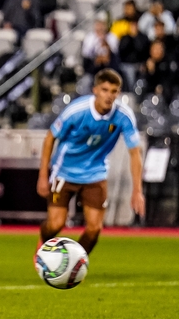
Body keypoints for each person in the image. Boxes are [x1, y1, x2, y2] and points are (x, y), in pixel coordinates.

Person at [36, 69, 144, 259]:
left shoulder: (124, 116)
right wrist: (43, 175)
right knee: (56, 224)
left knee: (94, 229)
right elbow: (50, 137)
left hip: (95, 173)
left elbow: (135, 153)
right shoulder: (76, 111)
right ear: (95, 90)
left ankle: (74, 263)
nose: (109, 96)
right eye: (105, 90)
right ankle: (42, 245)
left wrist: (137, 190)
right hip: (64, 172)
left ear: (118, 93)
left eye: (114, 91)